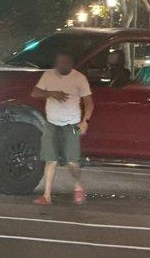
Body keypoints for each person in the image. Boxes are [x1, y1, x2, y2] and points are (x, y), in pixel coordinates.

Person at [31, 50, 94, 205]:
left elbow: (89, 102)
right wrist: (51, 93)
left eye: (65, 63)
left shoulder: (79, 78)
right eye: (59, 63)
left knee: (72, 161)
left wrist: (85, 122)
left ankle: (78, 185)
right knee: (50, 160)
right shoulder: (48, 75)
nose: (62, 65)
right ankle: (46, 195)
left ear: (71, 64)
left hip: (72, 124)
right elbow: (35, 93)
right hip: (52, 123)